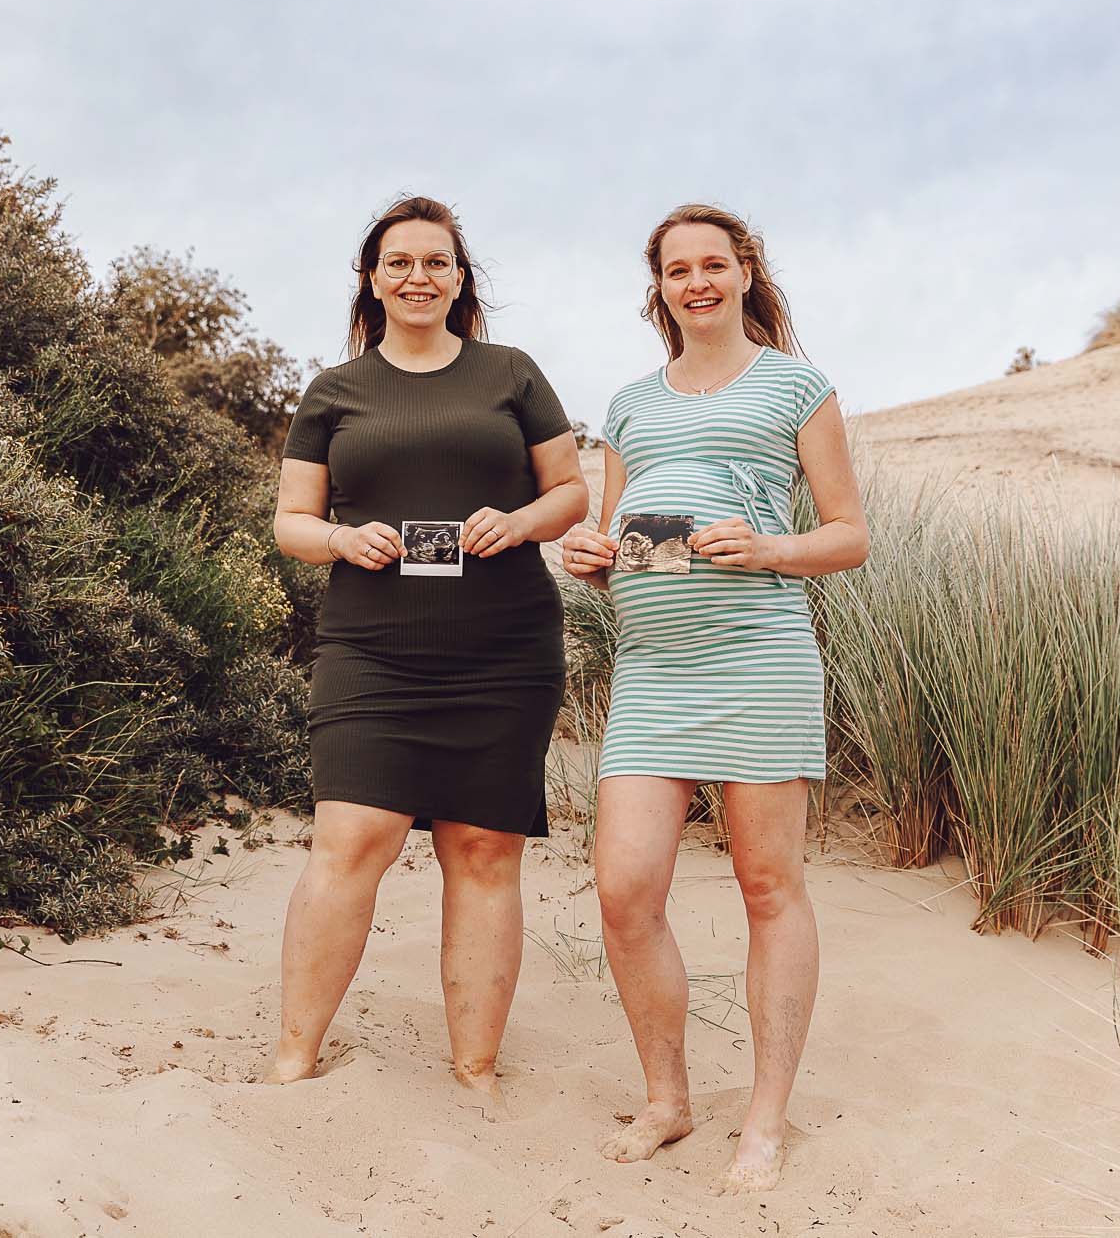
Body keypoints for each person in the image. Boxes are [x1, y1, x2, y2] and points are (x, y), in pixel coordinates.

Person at [558, 204, 869, 1194]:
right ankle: (667, 1100)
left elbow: (848, 534)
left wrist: (771, 548)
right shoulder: (629, 406)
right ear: (658, 288)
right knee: (624, 890)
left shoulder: (796, 385)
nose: (694, 282)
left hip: (758, 659)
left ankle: (765, 1120)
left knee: (767, 889)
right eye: (675, 270)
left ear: (742, 273)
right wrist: (588, 556)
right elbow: (615, 541)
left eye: (711, 265)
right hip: (651, 672)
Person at [266, 196, 588, 1103]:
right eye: (398, 262)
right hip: (371, 652)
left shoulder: (511, 374)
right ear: (371, 279)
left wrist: (519, 518)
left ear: (460, 279)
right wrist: (341, 540)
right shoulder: (334, 390)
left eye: (436, 262)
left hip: (504, 650)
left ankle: (475, 1070)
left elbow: (570, 494)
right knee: (349, 839)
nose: (418, 276)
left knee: (484, 850)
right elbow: (292, 519)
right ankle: (293, 1057)